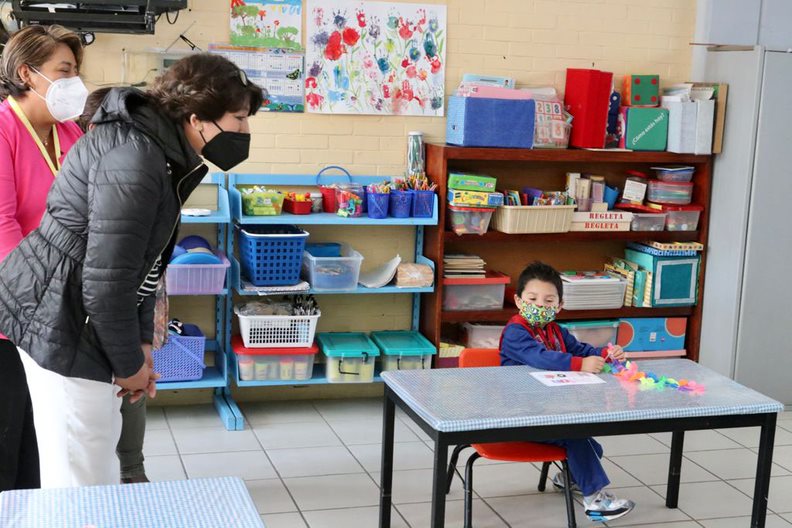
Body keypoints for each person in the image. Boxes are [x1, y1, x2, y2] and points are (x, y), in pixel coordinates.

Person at [0, 52, 263, 488]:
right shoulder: (136, 157)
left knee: (96, 455)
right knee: (79, 473)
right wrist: (128, 364)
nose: (245, 131)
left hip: (77, 314)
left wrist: (140, 345)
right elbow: (107, 283)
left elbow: (145, 266)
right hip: (61, 319)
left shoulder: (156, 149)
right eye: (238, 118)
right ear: (198, 118)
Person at [0, 24, 85, 492]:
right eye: (64, 71)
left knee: (46, 437)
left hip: (61, 307)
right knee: (8, 433)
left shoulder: (70, 131)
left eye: (76, 71)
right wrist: (30, 304)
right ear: (27, 74)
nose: (75, 82)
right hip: (15, 309)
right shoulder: (4, 129)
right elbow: (3, 224)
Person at [499, 261, 635, 522]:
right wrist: (579, 365)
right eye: (532, 298)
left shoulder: (556, 330)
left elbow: (580, 349)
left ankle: (568, 478)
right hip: (519, 413)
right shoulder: (515, 332)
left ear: (559, 306)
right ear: (518, 300)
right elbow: (541, 358)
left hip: (549, 410)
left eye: (549, 300)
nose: (540, 305)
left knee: (592, 446)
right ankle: (595, 500)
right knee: (576, 437)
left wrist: (605, 354)